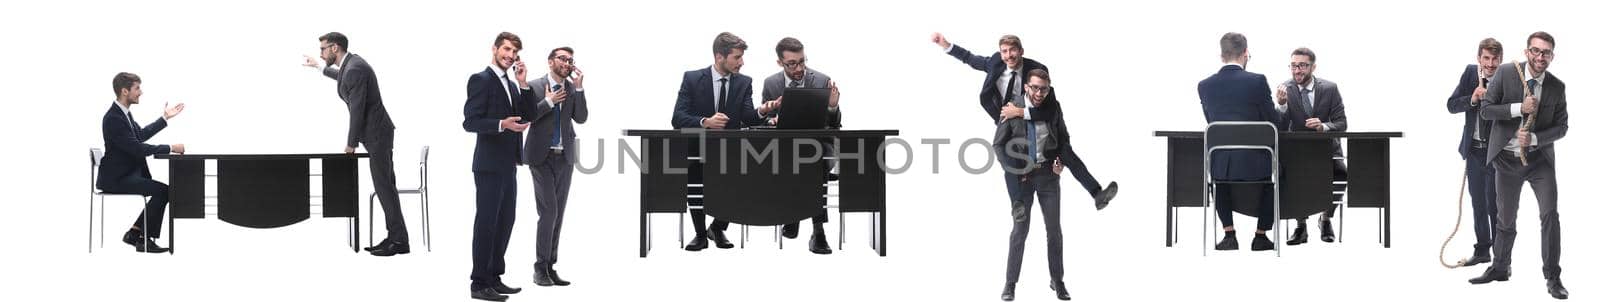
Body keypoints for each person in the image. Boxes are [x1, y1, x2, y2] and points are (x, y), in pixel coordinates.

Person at [1469, 31, 1568, 300]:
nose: (1540, 56)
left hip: (1539, 162)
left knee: (1550, 215)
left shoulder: (1557, 87)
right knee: (1504, 217)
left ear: (1552, 56)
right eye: (1535, 51)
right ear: (1527, 52)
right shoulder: (1505, 73)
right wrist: (1517, 108)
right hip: (1506, 159)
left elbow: (1562, 127)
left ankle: (1553, 276)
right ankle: (1500, 267)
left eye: (1545, 52)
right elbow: (1487, 110)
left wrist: (1535, 137)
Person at [301, 32, 409, 256]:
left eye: (323, 49)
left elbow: (357, 111)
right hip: (377, 134)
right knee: (385, 186)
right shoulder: (351, 64)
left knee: (384, 188)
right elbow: (343, 79)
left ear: (335, 48)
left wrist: (350, 144)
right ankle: (397, 238)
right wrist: (319, 68)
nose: (320, 53)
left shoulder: (354, 68)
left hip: (377, 135)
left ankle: (398, 241)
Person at [670, 32, 771, 251]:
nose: (742, 62)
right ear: (719, 57)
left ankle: (717, 228)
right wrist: (705, 122)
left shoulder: (744, 82)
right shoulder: (692, 78)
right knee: (694, 181)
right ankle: (700, 234)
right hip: (698, 150)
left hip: (731, 152)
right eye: (737, 57)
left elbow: (747, 116)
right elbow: (677, 117)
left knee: (745, 182)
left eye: (742, 57)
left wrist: (764, 110)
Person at [463, 32, 535, 302]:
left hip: (509, 165)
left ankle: (494, 277)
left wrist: (524, 83)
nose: (510, 55)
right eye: (506, 49)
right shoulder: (481, 80)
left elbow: (529, 116)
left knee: (505, 221)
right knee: (487, 223)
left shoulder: (512, 84)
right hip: (489, 165)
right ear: (494, 48)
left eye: (515, 52)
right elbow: (470, 122)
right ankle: (479, 283)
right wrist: (500, 124)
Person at [1197, 32, 1283, 252]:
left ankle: (1229, 235)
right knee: (1278, 174)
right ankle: (1261, 236)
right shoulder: (1257, 81)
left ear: (1221, 55)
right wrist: (1282, 106)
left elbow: (1212, 122)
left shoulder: (1204, 85)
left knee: (1218, 180)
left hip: (1221, 165)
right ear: (1246, 53)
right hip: (1257, 164)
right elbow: (1273, 123)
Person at [759, 37, 840, 254]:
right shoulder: (771, 84)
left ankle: (817, 230)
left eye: (802, 61)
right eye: (792, 64)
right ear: (780, 63)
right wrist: (771, 119)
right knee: (793, 160)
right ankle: (797, 216)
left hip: (820, 147)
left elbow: (835, 126)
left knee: (813, 160)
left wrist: (832, 107)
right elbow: (763, 122)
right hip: (783, 149)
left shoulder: (822, 80)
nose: (799, 68)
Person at [97, 72, 186, 253]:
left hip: (125, 174)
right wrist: (170, 147)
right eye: (137, 88)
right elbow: (137, 148)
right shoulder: (114, 118)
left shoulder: (124, 114)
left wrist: (164, 118)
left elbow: (140, 135)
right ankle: (144, 240)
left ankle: (134, 233)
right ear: (124, 91)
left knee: (163, 191)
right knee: (164, 191)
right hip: (116, 179)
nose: (141, 92)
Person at [522, 46, 588, 287]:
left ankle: (550, 265)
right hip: (541, 157)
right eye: (562, 58)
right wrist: (549, 102)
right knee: (548, 211)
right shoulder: (534, 86)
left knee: (558, 213)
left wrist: (579, 88)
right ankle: (539, 267)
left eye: (571, 59)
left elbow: (581, 117)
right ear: (550, 62)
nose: (567, 63)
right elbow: (526, 117)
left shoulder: (572, 89)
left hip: (565, 157)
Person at [1272, 47, 1347, 245]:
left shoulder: (1330, 89)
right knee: (1292, 175)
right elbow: (1277, 128)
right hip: (1298, 152)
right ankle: (1301, 226)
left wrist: (1324, 126)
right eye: (1294, 66)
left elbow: (1342, 123)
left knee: (1341, 174)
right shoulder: (1284, 88)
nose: (1297, 70)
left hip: (1327, 150)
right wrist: (1281, 106)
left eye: (1303, 65)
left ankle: (1325, 218)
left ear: (1313, 66)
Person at [1444, 38, 1503, 266]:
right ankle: (1482, 251)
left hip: (1496, 153)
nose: (1490, 63)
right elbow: (1451, 105)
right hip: (1474, 151)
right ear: (1479, 58)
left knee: (1494, 205)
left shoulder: (1507, 78)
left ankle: (1501, 257)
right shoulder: (1470, 74)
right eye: (1486, 58)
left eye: (1494, 59)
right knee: (1478, 202)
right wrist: (1472, 98)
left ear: (1501, 59)